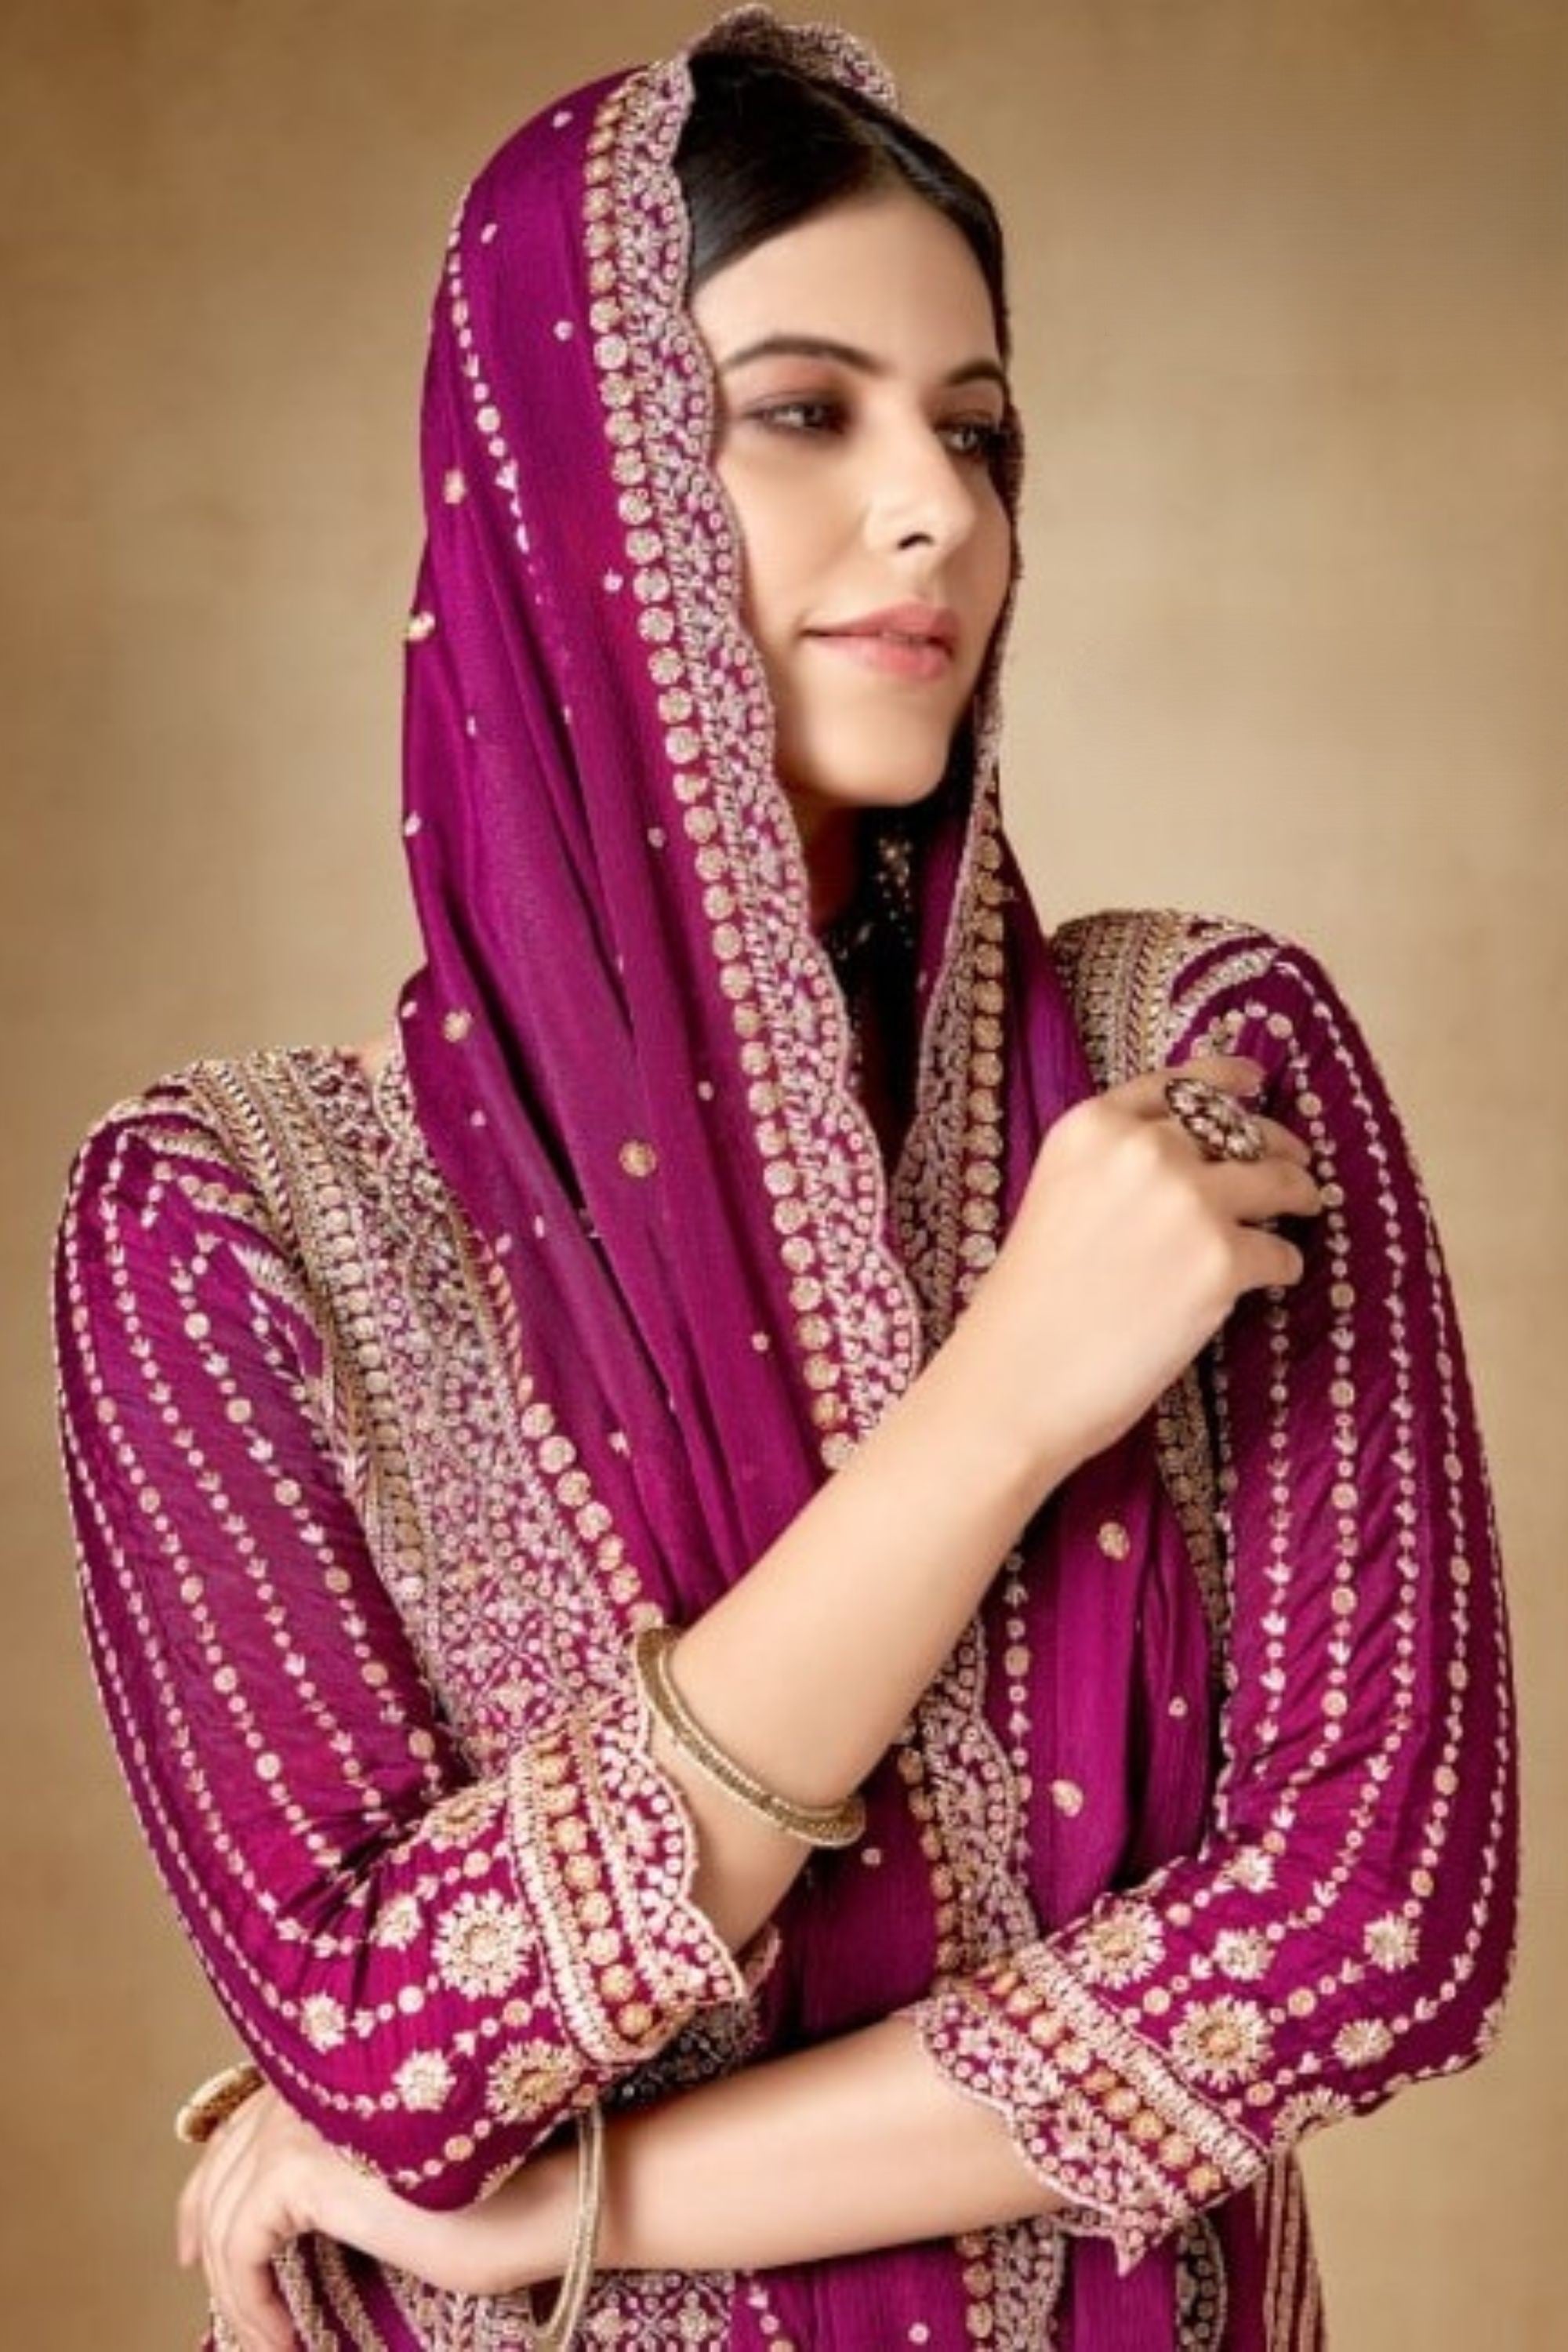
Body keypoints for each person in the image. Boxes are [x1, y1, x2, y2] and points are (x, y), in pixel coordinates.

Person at [51, 8, 1517, 2347]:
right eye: (803, 412)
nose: (933, 506)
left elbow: (1369, 1922)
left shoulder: (1203, 1079)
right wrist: (1007, 1402)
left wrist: (568, 2209)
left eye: (978, 429)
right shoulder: (231, 1228)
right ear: (565, 482)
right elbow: (388, 2044)